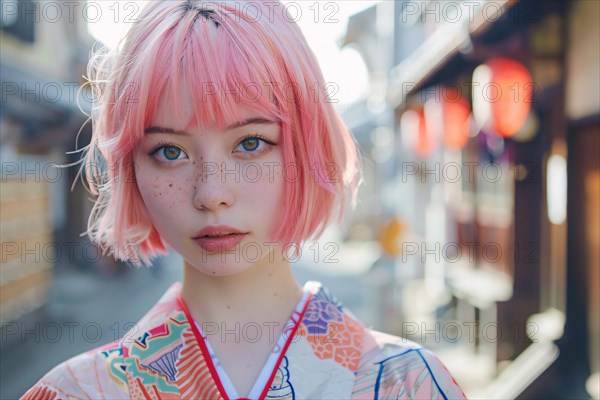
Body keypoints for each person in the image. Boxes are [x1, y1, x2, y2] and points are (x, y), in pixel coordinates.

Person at [23, 1, 466, 399]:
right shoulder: (72, 392)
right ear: (131, 170)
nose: (212, 194)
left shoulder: (410, 384)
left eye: (251, 143)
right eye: (169, 152)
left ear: (307, 147)